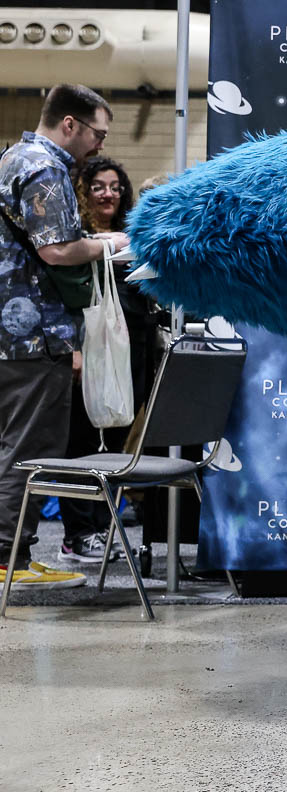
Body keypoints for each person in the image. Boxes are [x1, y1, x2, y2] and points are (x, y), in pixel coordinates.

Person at [0, 84, 129, 590]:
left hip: (15, 335)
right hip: (33, 338)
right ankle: (11, 560)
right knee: (27, 451)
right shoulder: (45, 166)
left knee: (12, 447)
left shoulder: (13, 156)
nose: (99, 145)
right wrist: (110, 243)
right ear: (70, 124)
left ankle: (15, 554)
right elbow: (57, 251)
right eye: (97, 133)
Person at [55, 157, 147, 564]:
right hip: (88, 349)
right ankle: (78, 534)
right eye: (98, 186)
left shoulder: (133, 236)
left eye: (114, 186)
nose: (108, 193)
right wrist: (72, 350)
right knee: (80, 440)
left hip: (133, 351)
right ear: (83, 192)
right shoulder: (72, 242)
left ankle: (102, 524)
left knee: (115, 440)